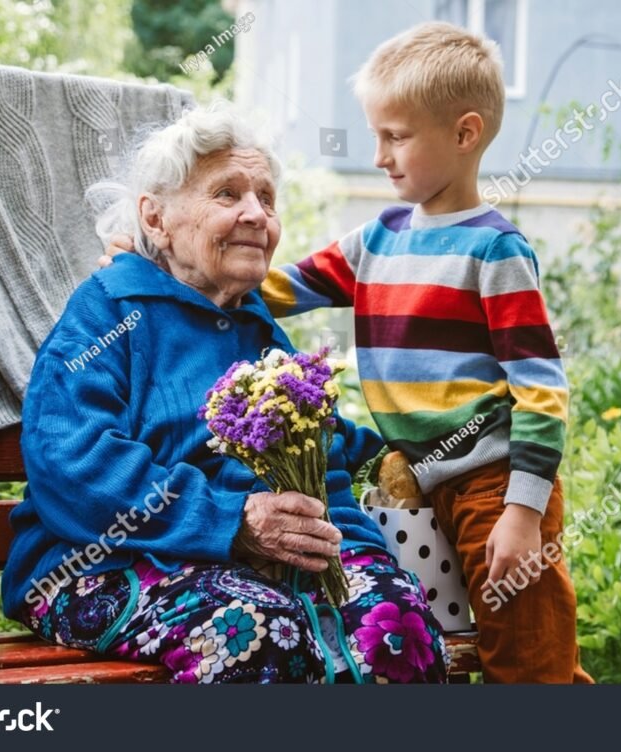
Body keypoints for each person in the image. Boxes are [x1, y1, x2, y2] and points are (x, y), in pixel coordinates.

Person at [105, 22, 593, 683]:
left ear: (465, 134)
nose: (380, 155)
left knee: (527, 653)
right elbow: (272, 288)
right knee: (440, 643)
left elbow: (540, 388)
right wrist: (165, 268)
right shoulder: (378, 239)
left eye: (396, 136)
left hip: (492, 481)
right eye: (376, 136)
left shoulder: (495, 253)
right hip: (414, 481)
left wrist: (523, 512)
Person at [1, 104, 449, 684]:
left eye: (266, 197)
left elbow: (324, 458)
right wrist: (229, 520)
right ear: (156, 219)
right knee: (253, 631)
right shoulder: (109, 312)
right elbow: (73, 462)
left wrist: (361, 555)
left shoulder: (261, 332)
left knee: (397, 625)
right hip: (105, 562)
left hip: (263, 565)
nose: (256, 214)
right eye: (228, 194)